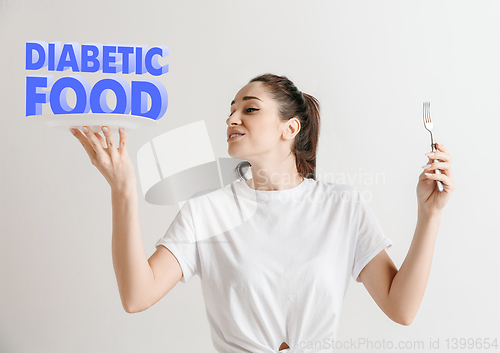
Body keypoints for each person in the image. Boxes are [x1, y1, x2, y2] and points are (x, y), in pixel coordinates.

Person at [69, 73, 455, 353]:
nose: (232, 119)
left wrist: (429, 216)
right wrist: (123, 190)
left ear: (290, 127)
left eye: (249, 109)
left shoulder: (342, 207)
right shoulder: (209, 210)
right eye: (231, 110)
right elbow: (137, 296)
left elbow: (401, 308)